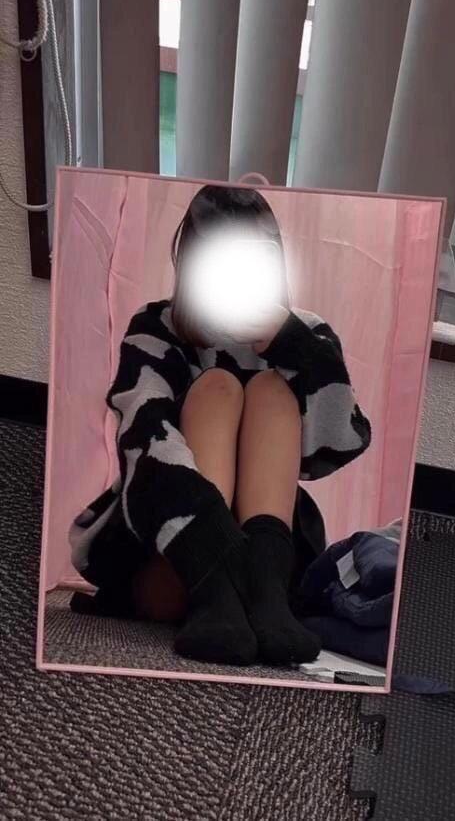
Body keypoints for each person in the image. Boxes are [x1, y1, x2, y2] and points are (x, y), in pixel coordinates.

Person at [68, 185, 371, 667]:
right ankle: (218, 587)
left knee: (270, 390)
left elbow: (340, 441)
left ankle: (260, 594)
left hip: (265, 562)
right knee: (217, 388)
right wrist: (207, 543)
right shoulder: (157, 328)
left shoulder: (306, 333)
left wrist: (289, 343)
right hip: (175, 552)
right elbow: (143, 436)